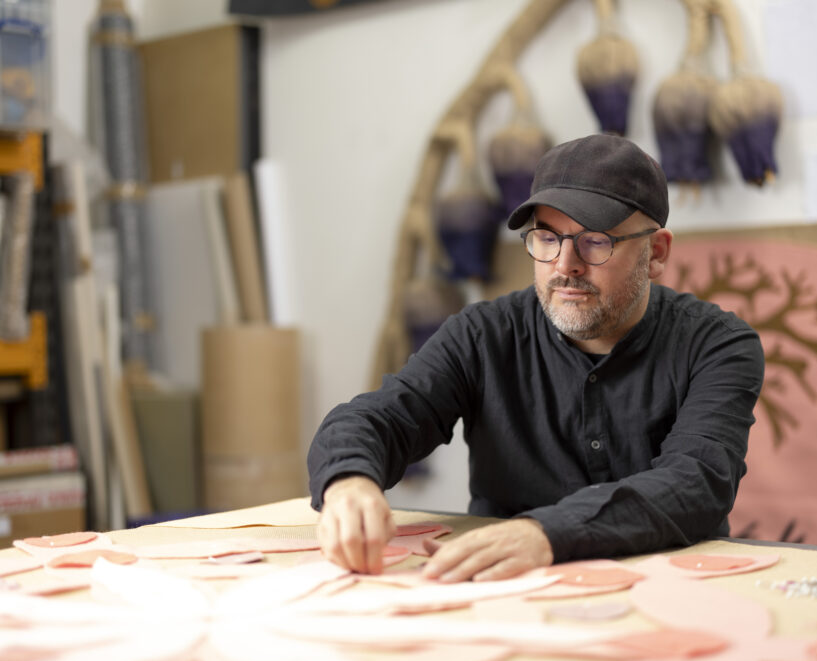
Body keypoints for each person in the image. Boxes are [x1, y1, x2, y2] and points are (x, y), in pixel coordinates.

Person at [307, 133, 765, 582]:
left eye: (595, 241)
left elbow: (696, 480)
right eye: (547, 238)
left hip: (675, 589)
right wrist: (348, 481)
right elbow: (379, 419)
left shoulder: (718, 345)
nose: (565, 265)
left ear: (656, 252)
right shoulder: (482, 335)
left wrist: (548, 534)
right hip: (501, 591)